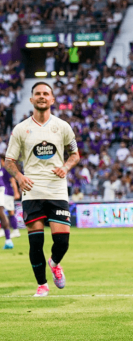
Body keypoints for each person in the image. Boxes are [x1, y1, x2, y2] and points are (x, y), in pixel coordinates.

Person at [5, 82, 81, 297]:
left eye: (45, 94)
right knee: (35, 241)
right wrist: (19, 177)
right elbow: (10, 160)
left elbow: (75, 154)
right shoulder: (21, 129)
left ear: (52, 99)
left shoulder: (63, 126)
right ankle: (42, 285)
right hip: (32, 191)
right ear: (31, 99)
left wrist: (65, 167)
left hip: (56, 190)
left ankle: (55, 262)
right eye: (37, 93)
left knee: (62, 240)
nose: (41, 97)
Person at [1, 155, 21, 238]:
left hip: (7, 193)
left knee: (8, 212)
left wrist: (16, 192)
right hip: (4, 193)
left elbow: (12, 180)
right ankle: (7, 230)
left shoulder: (6, 169)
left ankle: (13, 230)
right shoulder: (2, 169)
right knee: (6, 212)